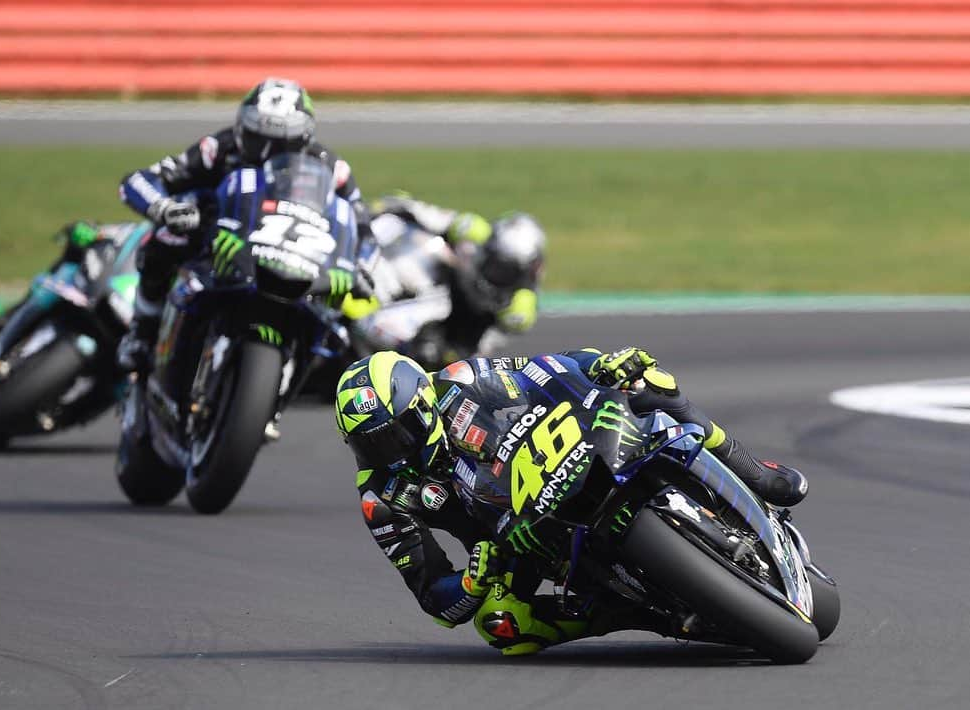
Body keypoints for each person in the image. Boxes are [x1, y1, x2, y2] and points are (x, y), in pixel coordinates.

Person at [333, 347, 808, 656]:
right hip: (514, 540)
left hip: (570, 453)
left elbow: (554, 368)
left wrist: (602, 366)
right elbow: (436, 599)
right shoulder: (382, 496)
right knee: (503, 629)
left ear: (422, 405)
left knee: (648, 385)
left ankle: (752, 472)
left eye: (397, 435)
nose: (391, 452)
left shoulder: (463, 380)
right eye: (371, 446)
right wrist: (474, 580)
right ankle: (642, 617)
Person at [116, 77, 371, 372]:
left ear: (303, 140)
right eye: (255, 137)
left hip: (292, 256)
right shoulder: (219, 148)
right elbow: (138, 181)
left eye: (280, 145)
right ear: (241, 126)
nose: (264, 153)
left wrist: (361, 265)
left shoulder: (331, 168)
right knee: (163, 240)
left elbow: (360, 223)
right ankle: (142, 330)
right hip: (217, 238)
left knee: (340, 322)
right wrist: (167, 208)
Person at [352, 194, 545, 369]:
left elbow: (481, 350)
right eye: (491, 256)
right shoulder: (473, 229)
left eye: (503, 268)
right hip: (430, 274)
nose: (492, 268)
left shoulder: (520, 305)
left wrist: (446, 353)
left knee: (432, 354)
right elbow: (412, 207)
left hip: (442, 323)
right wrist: (381, 210)